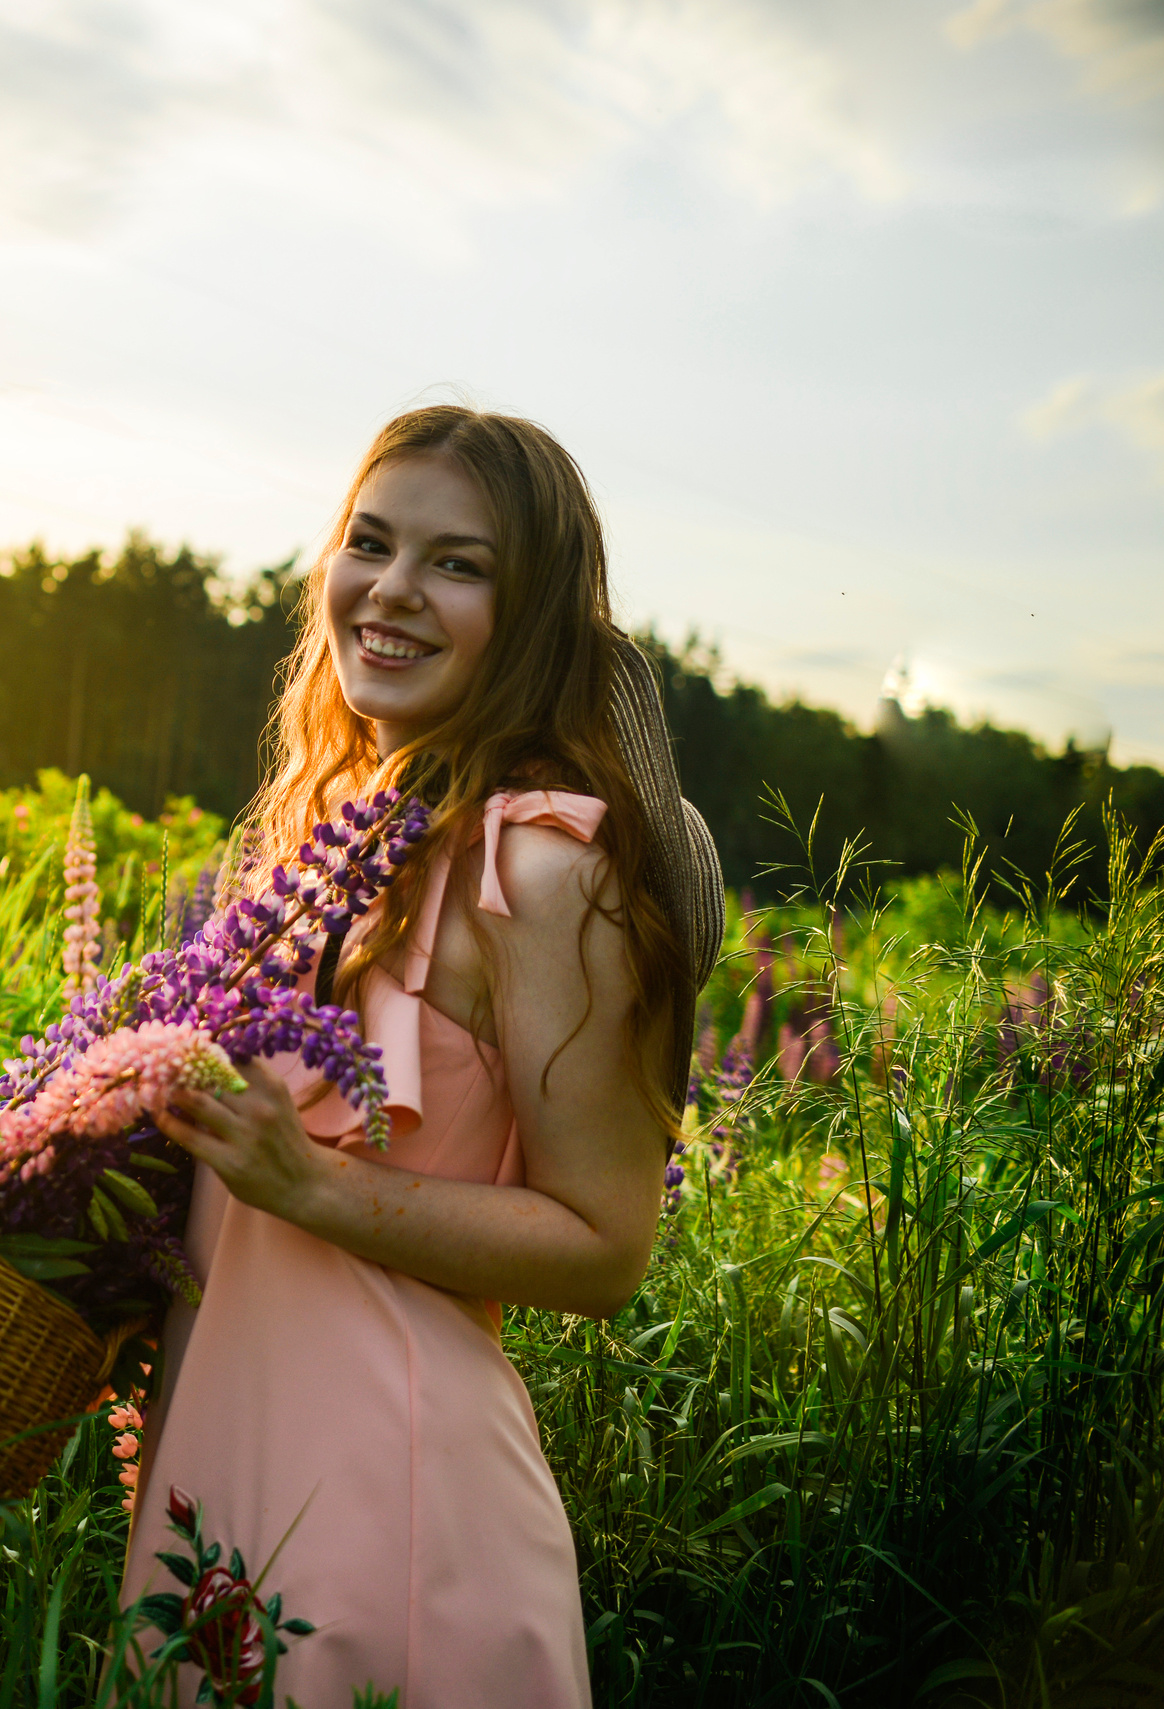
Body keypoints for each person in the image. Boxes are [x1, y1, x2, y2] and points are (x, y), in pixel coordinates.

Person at [126, 406, 723, 1706]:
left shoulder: (541, 869)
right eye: (371, 543)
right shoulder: (341, 837)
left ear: (536, 614)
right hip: (221, 1467)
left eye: (458, 564)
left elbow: (605, 1244)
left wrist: (318, 1186)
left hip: (390, 1501)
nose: (391, 592)